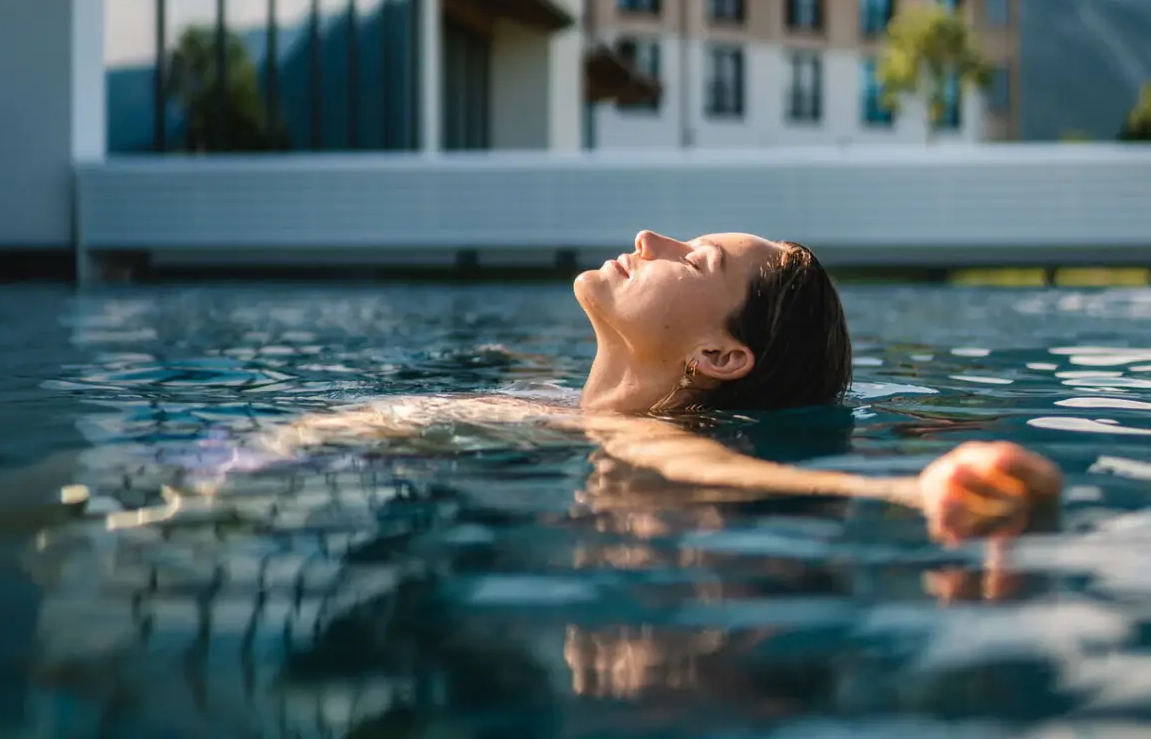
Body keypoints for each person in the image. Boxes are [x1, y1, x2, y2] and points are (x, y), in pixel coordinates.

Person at [270, 230, 1062, 545]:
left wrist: (913, 494)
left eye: (697, 259)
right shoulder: (550, 409)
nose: (652, 239)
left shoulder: (642, 436)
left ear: (721, 357)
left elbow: (722, 472)